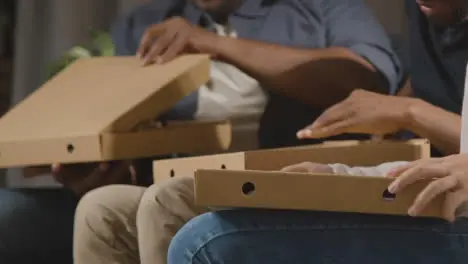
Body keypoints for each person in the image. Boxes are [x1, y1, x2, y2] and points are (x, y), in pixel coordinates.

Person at [72, 0, 402, 263]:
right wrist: (100, 162)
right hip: (180, 186)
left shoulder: (321, 7)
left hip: (290, 191)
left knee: (167, 199)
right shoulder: (146, 24)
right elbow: (122, 130)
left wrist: (213, 44)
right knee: (98, 208)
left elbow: (367, 81)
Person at [164, 1, 468, 263]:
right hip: (435, 190)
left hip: (454, 216)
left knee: (206, 239)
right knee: (161, 201)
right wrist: (338, 173)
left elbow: (369, 76)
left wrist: (408, 112)